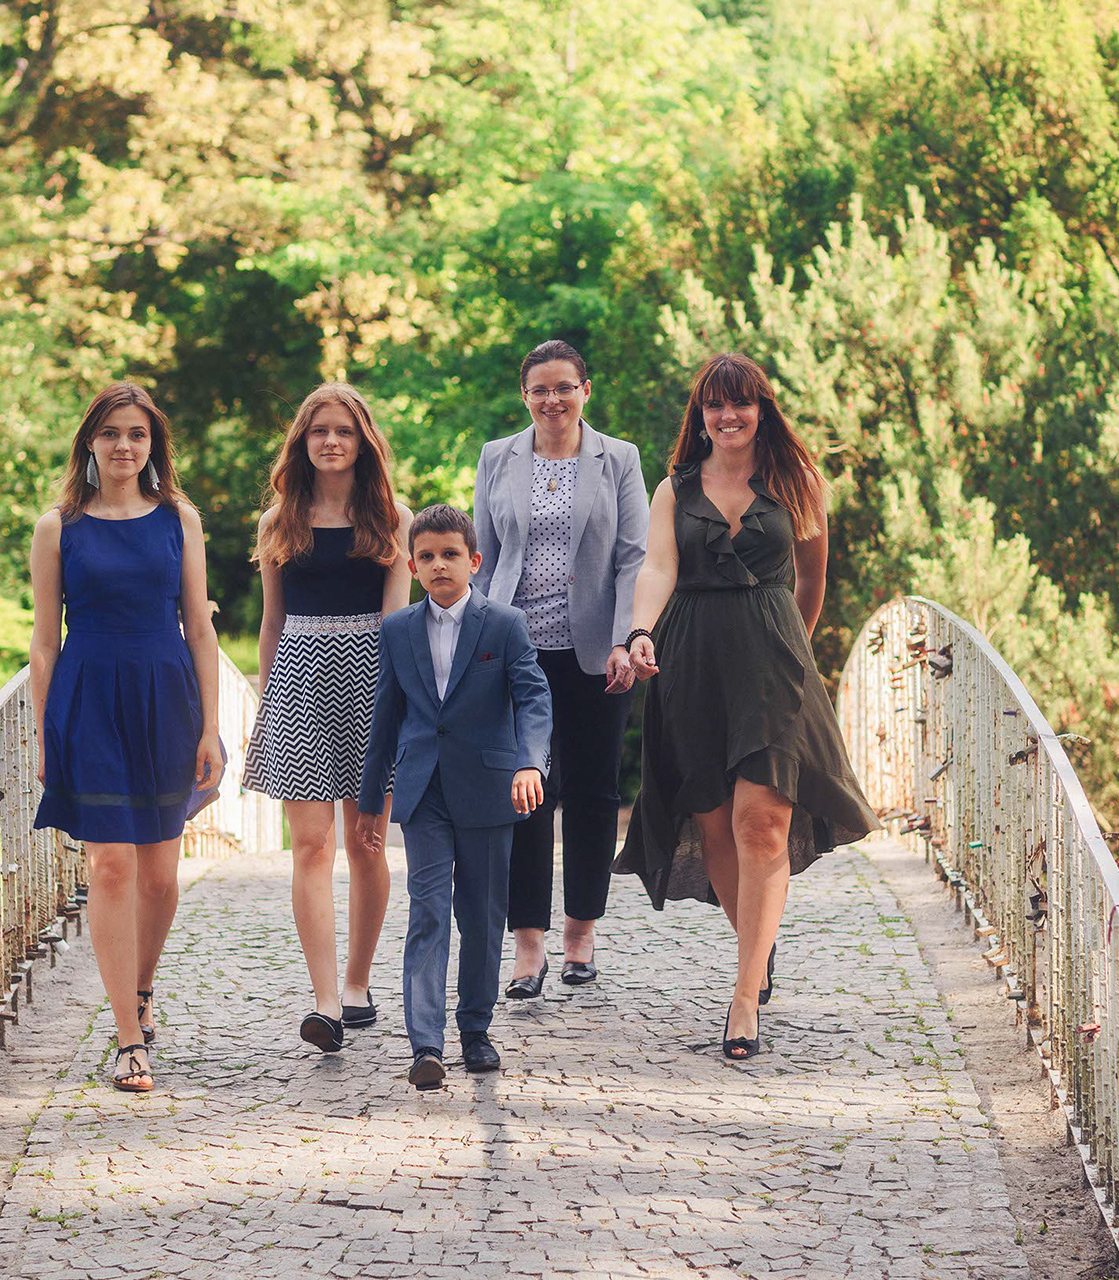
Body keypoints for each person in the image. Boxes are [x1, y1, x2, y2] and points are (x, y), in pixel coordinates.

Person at [615, 354, 879, 1062]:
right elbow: (658, 567)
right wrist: (639, 631)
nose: (728, 416)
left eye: (741, 403)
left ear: (762, 409)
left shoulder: (799, 481)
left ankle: (742, 997)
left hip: (771, 666)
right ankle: (757, 951)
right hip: (691, 662)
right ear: (700, 416)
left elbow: (813, 580)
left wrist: (791, 647)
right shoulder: (674, 489)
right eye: (714, 405)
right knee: (715, 827)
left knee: (761, 823)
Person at [30, 381, 225, 1093]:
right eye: (111, 432)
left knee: (162, 876)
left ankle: (141, 989)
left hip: (165, 699)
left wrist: (210, 727)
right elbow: (44, 643)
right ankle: (128, 1038)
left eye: (137, 434)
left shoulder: (179, 519)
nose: (123, 445)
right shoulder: (58, 527)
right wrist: (46, 733)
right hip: (89, 701)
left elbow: (199, 628)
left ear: (153, 444)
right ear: (90, 441)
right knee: (111, 866)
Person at [354, 506, 553, 1089]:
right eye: (427, 557)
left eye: (450, 554)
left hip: (489, 788)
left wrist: (529, 762)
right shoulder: (397, 630)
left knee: (483, 915)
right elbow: (385, 717)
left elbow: (534, 699)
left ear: (474, 561)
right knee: (429, 910)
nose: (439, 565)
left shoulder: (505, 624)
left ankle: (475, 1030)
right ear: (412, 567)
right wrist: (370, 802)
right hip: (423, 792)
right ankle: (426, 1044)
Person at [473, 340, 648, 996]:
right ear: (525, 396)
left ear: (585, 390)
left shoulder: (619, 458)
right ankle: (528, 946)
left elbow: (634, 557)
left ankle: (580, 935)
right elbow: (483, 560)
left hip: (597, 653)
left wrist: (625, 638)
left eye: (564, 387)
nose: (552, 400)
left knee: (594, 791)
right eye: (540, 389)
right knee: (525, 792)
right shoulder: (497, 457)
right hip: (516, 651)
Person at [244, 384, 412, 1053]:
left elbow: (398, 623)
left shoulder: (393, 520)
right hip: (298, 685)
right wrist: (266, 706)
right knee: (311, 846)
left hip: (373, 684)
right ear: (302, 442)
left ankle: (357, 982)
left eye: (343, 430)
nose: (332, 441)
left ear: (363, 441)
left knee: (367, 842)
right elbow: (271, 622)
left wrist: (402, 709)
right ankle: (323, 1003)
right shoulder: (278, 521)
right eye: (319, 431)